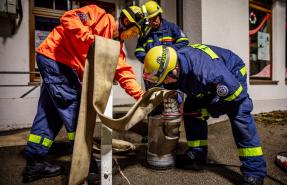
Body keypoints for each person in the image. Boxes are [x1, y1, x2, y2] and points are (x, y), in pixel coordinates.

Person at [22, 5, 146, 183]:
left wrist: (140, 96)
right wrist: (90, 38)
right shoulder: (97, 15)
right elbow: (69, 18)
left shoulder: (114, 47)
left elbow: (123, 71)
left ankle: (34, 163)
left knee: (50, 113)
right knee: (78, 111)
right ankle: (86, 163)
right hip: (56, 59)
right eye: (134, 31)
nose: (134, 35)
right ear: (126, 22)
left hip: (60, 64)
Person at [143, 45, 267, 185]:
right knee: (191, 109)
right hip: (201, 82)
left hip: (232, 74)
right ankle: (197, 154)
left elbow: (236, 95)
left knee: (240, 115)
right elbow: (172, 85)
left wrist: (209, 111)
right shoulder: (174, 63)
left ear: (175, 71)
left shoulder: (208, 72)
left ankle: (255, 172)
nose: (164, 83)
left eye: (165, 79)